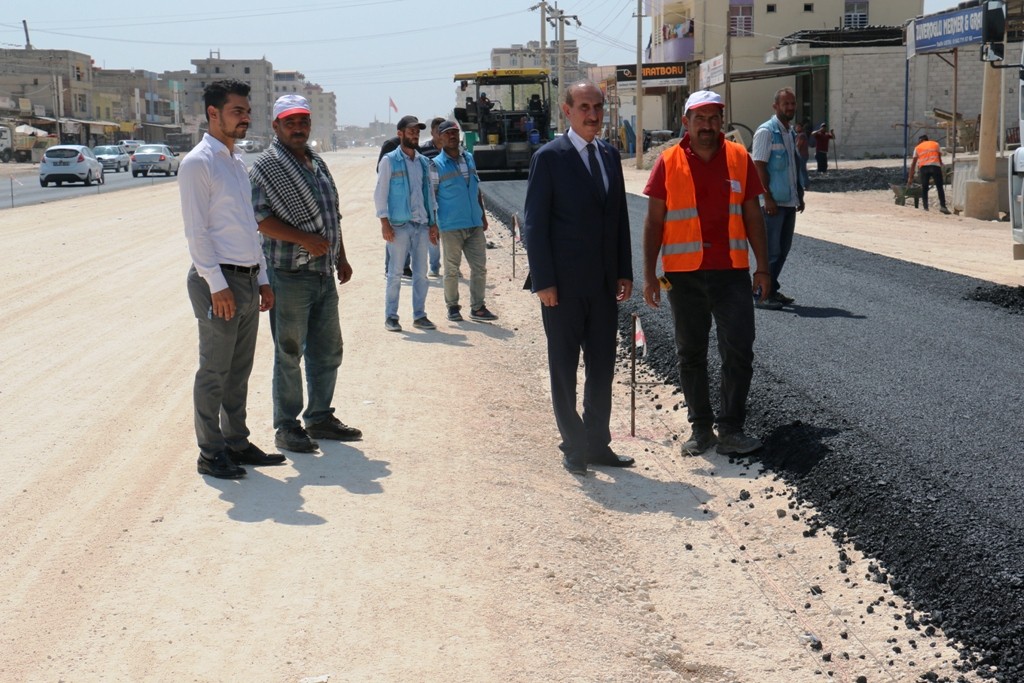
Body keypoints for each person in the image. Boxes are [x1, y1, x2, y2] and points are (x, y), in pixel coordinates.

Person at [641, 90, 772, 458]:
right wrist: (650, 275)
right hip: (684, 276)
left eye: (714, 118)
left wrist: (763, 267)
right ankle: (701, 429)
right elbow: (654, 222)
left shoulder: (739, 158)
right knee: (691, 353)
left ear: (721, 121)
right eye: (700, 118)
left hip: (732, 273)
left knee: (739, 350)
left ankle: (731, 428)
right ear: (686, 122)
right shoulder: (668, 162)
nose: (708, 126)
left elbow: (752, 217)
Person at [523, 80, 635, 476]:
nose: (593, 115)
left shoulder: (608, 154)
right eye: (584, 107)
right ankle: (573, 445)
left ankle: (598, 442)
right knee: (564, 367)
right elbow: (534, 225)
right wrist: (543, 281)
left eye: (598, 107)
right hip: (563, 287)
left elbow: (618, 216)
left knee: (603, 365)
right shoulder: (549, 157)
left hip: (604, 284)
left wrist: (624, 270)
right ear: (566, 111)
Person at [178, 79, 284, 479]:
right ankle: (210, 452)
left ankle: (236, 442)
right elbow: (197, 232)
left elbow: (247, 225)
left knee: (238, 371)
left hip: (246, 276)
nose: (246, 117)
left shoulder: (237, 164)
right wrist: (217, 285)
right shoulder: (197, 163)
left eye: (247, 110)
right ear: (213, 114)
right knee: (214, 372)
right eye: (237, 111)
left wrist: (262, 277)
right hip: (216, 278)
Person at [249, 94, 362, 454]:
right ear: (276, 126)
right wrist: (304, 240)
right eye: (290, 122)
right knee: (289, 351)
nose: (298, 127)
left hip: (322, 273)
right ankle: (287, 426)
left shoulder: (318, 163)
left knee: (329, 350)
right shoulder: (265, 167)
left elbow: (333, 217)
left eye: (303, 121)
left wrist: (340, 256)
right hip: (288, 273)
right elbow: (261, 219)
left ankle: (319, 417)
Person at [374, 115, 439, 332]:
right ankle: (391, 316)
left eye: (417, 132)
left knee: (421, 274)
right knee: (395, 274)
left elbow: (429, 194)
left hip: (421, 226)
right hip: (399, 227)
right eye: (410, 131)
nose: (414, 135)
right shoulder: (389, 161)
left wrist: (432, 223)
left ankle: (419, 315)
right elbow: (380, 193)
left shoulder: (422, 162)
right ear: (400, 133)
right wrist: (384, 222)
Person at [430, 119, 497, 323]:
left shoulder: (468, 159)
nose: (452, 136)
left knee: (479, 268)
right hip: (451, 226)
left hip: (474, 224)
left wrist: (483, 216)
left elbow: (476, 191)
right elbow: (431, 197)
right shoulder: (436, 165)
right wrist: (433, 224)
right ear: (440, 137)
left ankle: (477, 308)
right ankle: (452, 307)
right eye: (447, 133)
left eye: (454, 133)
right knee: (451, 270)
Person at [751, 87, 807, 310]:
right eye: (786, 104)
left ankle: (771, 289)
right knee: (770, 252)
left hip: (789, 202)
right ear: (776, 106)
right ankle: (760, 295)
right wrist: (768, 199)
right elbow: (759, 167)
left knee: (782, 251)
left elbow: (793, 168)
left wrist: (799, 196)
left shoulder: (789, 132)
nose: (791, 107)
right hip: (772, 203)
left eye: (793, 103)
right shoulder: (766, 132)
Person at [418, 116, 446, 277]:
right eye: (438, 130)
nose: (440, 133)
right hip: (430, 197)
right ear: (432, 132)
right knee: (433, 231)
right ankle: (434, 266)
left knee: (449, 232)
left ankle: (451, 265)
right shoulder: (423, 150)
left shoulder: (452, 148)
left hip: (448, 196)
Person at [907, 134, 950, 214]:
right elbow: (939, 158)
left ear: (920, 141)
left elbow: (913, 164)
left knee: (924, 188)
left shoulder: (917, 147)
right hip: (935, 167)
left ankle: (925, 207)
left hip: (924, 168)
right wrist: (941, 166)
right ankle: (943, 207)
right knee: (939, 187)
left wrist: (910, 178)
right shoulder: (935, 144)